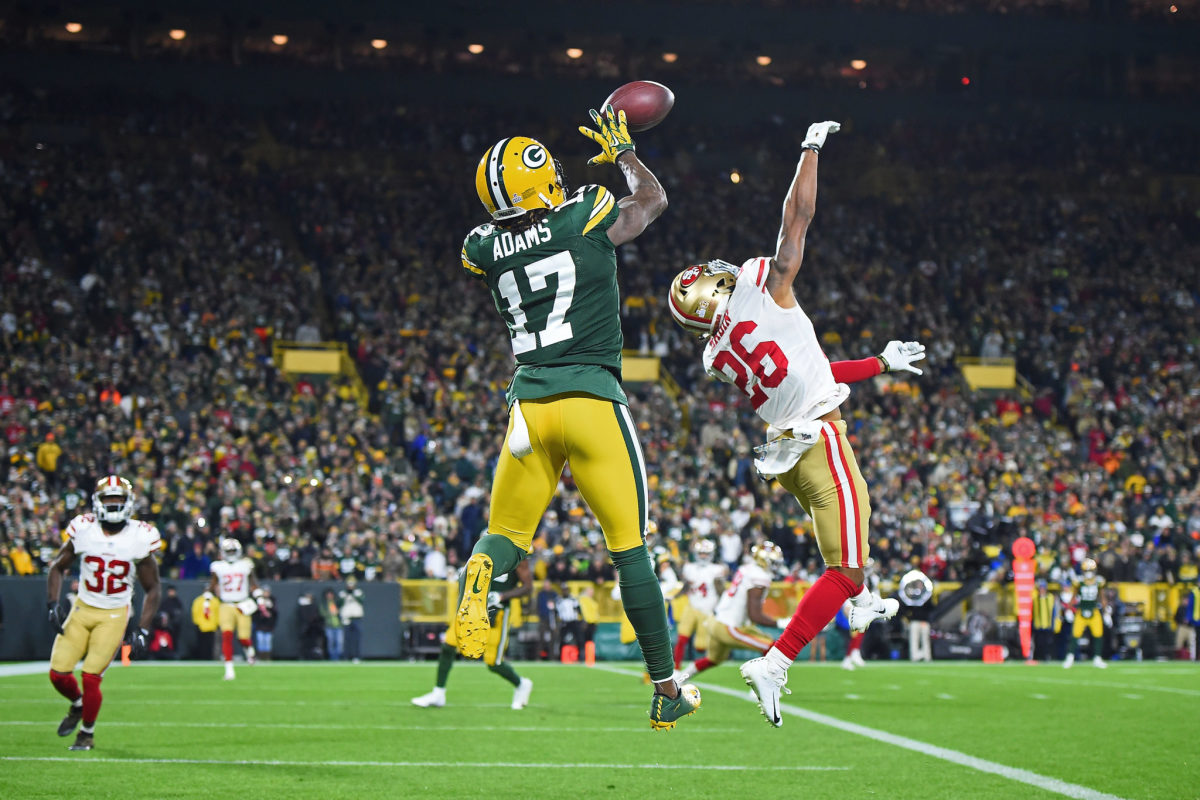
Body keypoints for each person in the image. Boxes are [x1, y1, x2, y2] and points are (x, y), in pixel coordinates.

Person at [667, 121, 921, 727]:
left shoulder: (715, 354)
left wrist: (880, 361)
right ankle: (776, 662)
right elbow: (796, 220)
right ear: (717, 286)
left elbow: (808, 368)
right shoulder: (761, 283)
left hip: (788, 451)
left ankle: (859, 608)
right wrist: (811, 149)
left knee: (849, 553)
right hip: (818, 436)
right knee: (846, 566)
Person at [453, 106, 699, 729]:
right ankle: (666, 687)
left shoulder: (482, 247)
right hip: (590, 399)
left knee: (503, 533)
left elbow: (496, 239)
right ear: (542, 179)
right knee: (630, 550)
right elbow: (651, 201)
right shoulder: (584, 210)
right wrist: (623, 152)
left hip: (528, 410)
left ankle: (479, 577)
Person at [45, 475, 162, 751]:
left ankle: (87, 733)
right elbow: (56, 567)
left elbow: (153, 587)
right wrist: (52, 602)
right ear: (97, 502)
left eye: (118, 499)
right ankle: (77, 705)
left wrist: (144, 628)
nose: (113, 504)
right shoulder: (84, 529)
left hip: (113, 614)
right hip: (82, 608)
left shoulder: (139, 536)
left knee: (91, 676)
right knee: (58, 675)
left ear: (128, 502)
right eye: (108, 499)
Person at [412, 559, 534, 710]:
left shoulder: (517, 555)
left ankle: (521, 684)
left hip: (498, 612)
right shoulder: (484, 547)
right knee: (449, 644)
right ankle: (438, 693)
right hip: (473, 607)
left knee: (493, 663)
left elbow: (528, 587)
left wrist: (501, 596)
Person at [678, 542, 787, 680]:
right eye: (773, 562)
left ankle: (679, 679)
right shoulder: (760, 577)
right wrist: (781, 623)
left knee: (713, 660)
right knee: (773, 649)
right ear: (764, 561)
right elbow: (755, 616)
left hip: (715, 620)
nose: (776, 565)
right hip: (728, 626)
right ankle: (762, 688)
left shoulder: (747, 568)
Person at [204, 538, 262, 680]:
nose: (230, 553)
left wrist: (260, 599)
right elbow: (212, 585)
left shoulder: (245, 565)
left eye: (232, 551)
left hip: (243, 604)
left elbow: (253, 584)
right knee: (227, 635)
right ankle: (229, 670)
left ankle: (249, 650)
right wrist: (206, 602)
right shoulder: (218, 566)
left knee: (243, 638)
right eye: (228, 551)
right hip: (226, 604)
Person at [673, 539, 727, 669]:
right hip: (691, 606)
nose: (703, 556)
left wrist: (721, 607)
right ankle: (676, 667)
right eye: (701, 553)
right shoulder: (689, 567)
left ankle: (698, 666)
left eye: (706, 553)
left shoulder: (717, 569)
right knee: (682, 638)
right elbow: (686, 586)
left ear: (711, 554)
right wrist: (675, 596)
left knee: (701, 647)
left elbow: (721, 590)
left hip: (707, 610)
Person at [1063, 558, 1108, 669]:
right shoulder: (1079, 581)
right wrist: (1069, 609)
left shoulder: (1099, 581)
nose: (1089, 573)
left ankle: (1097, 658)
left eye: (1090, 570)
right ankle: (1070, 657)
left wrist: (1106, 612)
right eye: (1087, 570)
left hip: (1094, 610)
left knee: (1098, 634)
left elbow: (1102, 598)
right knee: (1075, 634)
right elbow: (1073, 597)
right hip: (1081, 610)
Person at [339, 577, 365, 663]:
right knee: (346, 639)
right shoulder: (342, 593)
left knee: (357, 639)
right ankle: (346, 656)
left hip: (356, 618)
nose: (350, 587)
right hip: (346, 618)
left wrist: (353, 594)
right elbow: (339, 603)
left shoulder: (358, 592)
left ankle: (356, 656)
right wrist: (347, 595)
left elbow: (362, 600)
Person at [253, 586, 277, 661]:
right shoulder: (258, 600)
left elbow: (275, 613)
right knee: (260, 641)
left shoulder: (272, 600)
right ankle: (260, 657)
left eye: (267, 592)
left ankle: (267, 657)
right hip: (260, 625)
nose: (266, 593)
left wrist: (270, 608)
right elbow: (255, 613)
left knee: (267, 641)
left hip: (269, 625)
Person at [321, 589, 344, 661]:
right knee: (330, 642)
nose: (329, 596)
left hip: (338, 626)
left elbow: (342, 611)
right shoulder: (324, 604)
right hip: (329, 626)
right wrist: (329, 613)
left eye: (331, 594)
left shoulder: (337, 603)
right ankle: (332, 658)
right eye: (328, 594)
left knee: (339, 642)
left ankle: (338, 658)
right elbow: (323, 613)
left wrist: (338, 612)